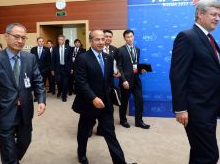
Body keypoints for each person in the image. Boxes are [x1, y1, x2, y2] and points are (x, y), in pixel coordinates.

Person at [169, 0, 220, 164]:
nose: (217, 18)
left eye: (219, 15)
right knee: (209, 155)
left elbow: (215, 73)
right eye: (213, 14)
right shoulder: (187, 37)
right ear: (199, 14)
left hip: (210, 106)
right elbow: (177, 75)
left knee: (200, 152)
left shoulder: (209, 39)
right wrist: (180, 108)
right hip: (196, 109)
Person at [0, 23, 46, 164]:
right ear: (6, 36)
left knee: (25, 141)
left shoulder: (30, 58)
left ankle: (12, 159)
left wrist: (41, 99)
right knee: (7, 147)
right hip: (4, 111)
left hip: (25, 110)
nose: (20, 41)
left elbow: (38, 81)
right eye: (16, 36)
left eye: (23, 37)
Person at [72, 30, 136, 164]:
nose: (101, 42)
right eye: (97, 39)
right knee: (84, 132)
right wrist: (93, 98)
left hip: (105, 104)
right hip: (88, 103)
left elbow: (108, 80)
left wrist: (117, 76)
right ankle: (81, 154)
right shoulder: (82, 58)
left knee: (110, 134)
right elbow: (81, 82)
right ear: (90, 41)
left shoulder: (108, 58)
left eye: (103, 39)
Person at [116, 29, 150, 129]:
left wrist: (140, 70)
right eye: (127, 37)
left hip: (136, 79)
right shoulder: (120, 50)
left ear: (134, 37)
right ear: (124, 38)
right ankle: (123, 120)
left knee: (139, 100)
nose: (130, 39)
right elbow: (119, 66)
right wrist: (123, 80)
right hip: (126, 81)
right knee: (124, 102)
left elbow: (135, 65)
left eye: (131, 36)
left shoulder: (137, 49)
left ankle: (139, 121)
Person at [51, 34, 72, 102]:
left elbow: (70, 59)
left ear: (64, 40)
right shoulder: (55, 48)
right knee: (59, 81)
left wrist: (71, 68)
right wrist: (52, 69)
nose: (60, 41)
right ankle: (60, 91)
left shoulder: (69, 48)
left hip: (66, 68)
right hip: (58, 68)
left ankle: (64, 96)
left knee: (65, 83)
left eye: (61, 39)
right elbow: (53, 60)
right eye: (58, 39)